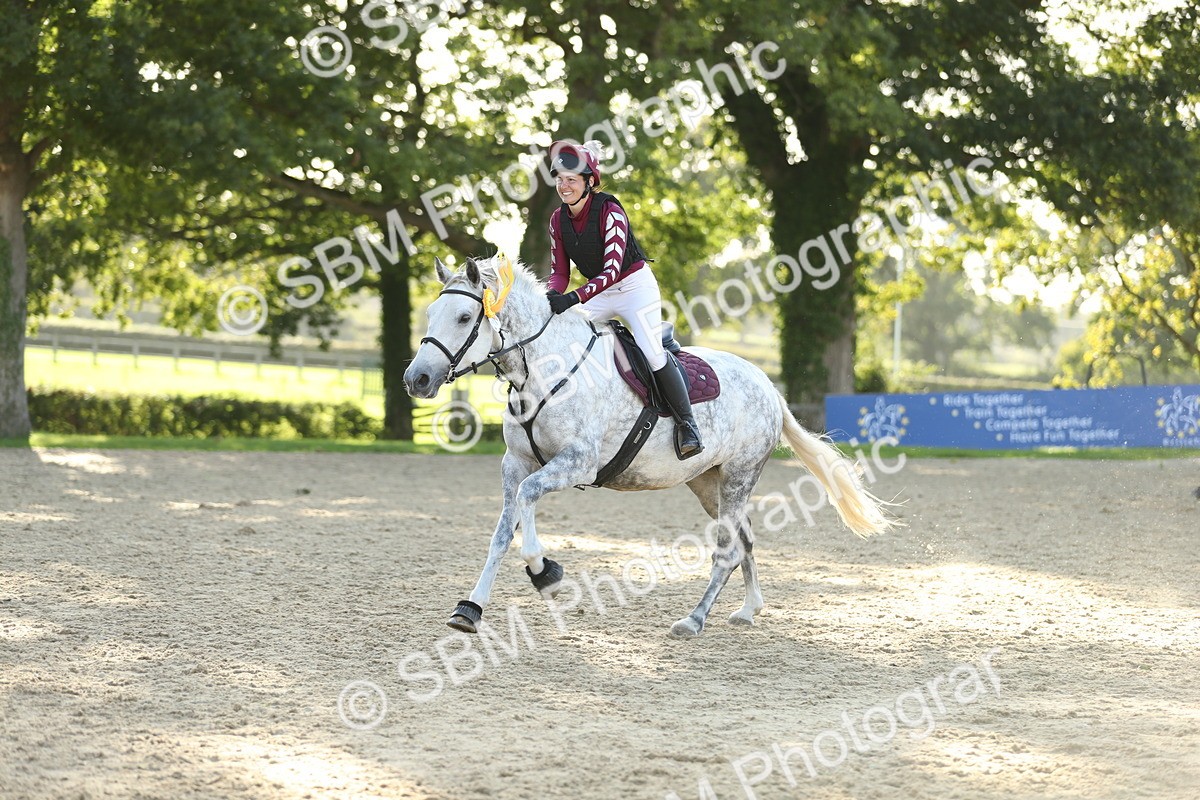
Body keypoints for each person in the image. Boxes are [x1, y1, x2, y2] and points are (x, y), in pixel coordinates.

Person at [544, 139, 703, 459]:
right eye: (559, 179)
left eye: (571, 180)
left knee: (652, 352)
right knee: (564, 339)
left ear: (590, 182)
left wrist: (573, 297)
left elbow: (613, 270)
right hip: (598, 292)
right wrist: (551, 295)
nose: (564, 186)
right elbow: (559, 272)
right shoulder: (556, 220)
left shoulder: (610, 211)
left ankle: (688, 425)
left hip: (633, 287)